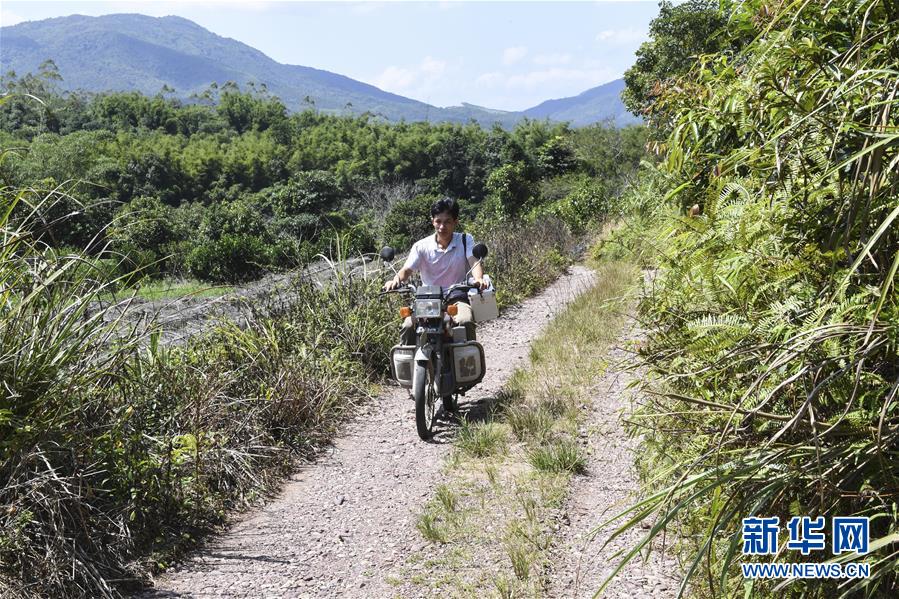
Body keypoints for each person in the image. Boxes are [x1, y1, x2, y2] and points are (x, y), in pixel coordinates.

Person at [383, 197, 487, 345]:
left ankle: (470, 365)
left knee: (465, 321)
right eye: (438, 221)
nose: (442, 226)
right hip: (427, 300)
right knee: (407, 325)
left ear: (455, 222)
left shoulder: (465, 240)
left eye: (447, 221)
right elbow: (407, 269)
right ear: (432, 221)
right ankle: (408, 366)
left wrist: (479, 279)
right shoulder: (421, 246)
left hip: (456, 297)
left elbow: (474, 261)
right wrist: (395, 280)